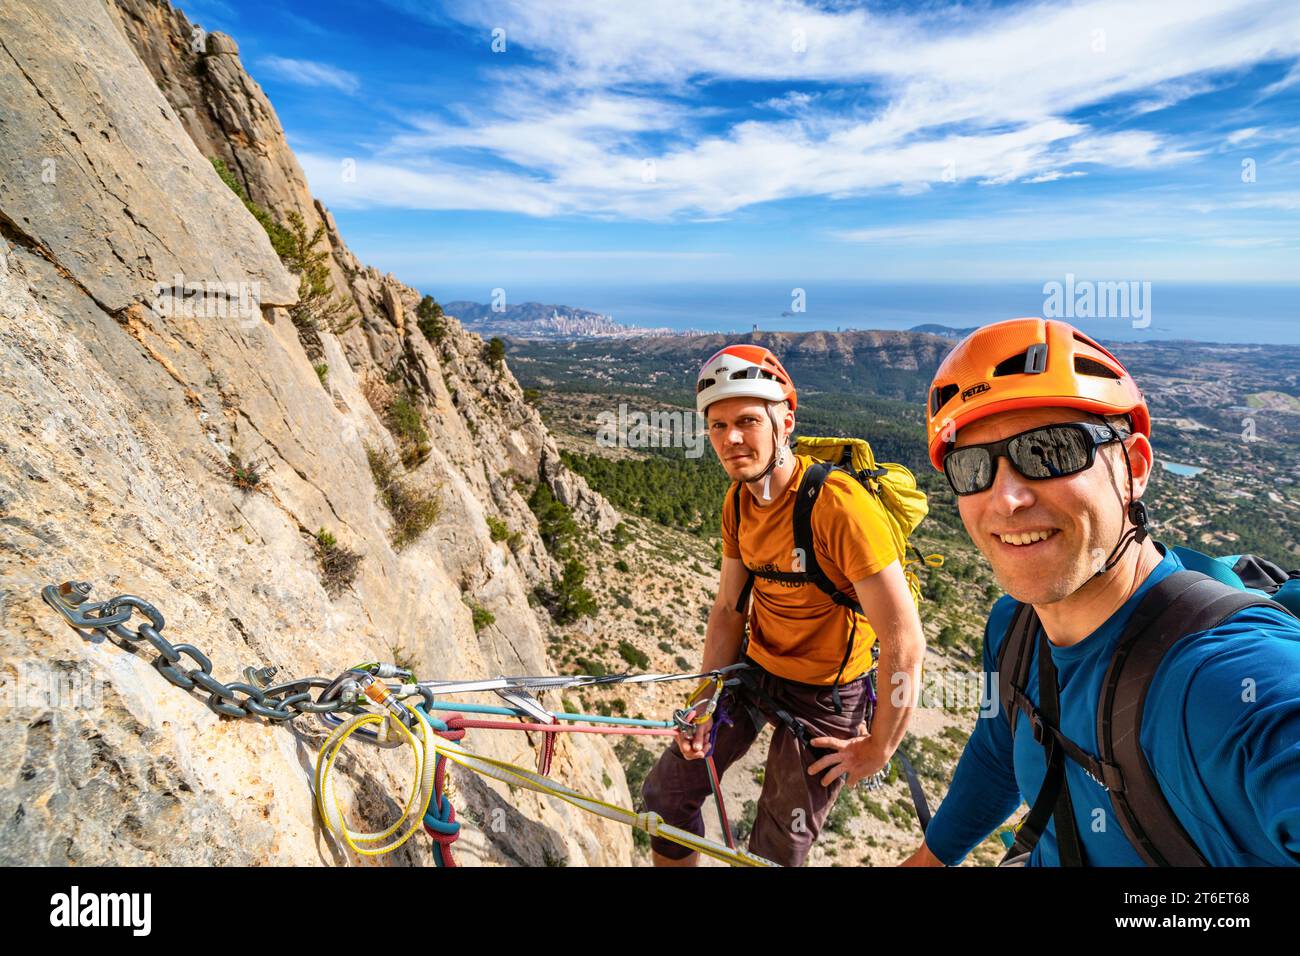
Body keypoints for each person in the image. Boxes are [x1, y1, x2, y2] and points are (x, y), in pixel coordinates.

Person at [903, 317, 1300, 866]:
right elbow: (998, 755)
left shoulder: (1229, 680)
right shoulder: (1015, 628)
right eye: (972, 468)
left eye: (1049, 451)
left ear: (1134, 466)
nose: (1007, 499)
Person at [641, 344, 926, 866]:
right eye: (717, 425)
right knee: (666, 796)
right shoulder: (738, 500)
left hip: (827, 695)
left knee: (774, 849)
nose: (730, 439)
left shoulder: (838, 507)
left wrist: (880, 746)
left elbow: (903, 637)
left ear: (785, 421)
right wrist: (704, 700)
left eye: (747, 421)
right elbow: (729, 609)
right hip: (756, 670)